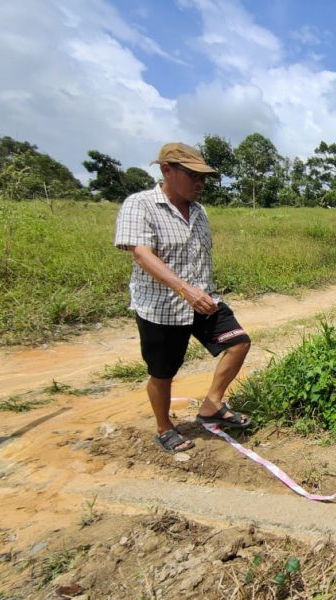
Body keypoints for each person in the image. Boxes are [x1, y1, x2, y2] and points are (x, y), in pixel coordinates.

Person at [114, 143, 252, 453]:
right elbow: (140, 253)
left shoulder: (200, 211)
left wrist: (198, 291)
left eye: (203, 177)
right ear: (166, 170)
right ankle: (164, 428)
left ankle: (212, 405)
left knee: (238, 342)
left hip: (204, 300)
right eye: (193, 176)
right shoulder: (141, 205)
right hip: (162, 307)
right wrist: (183, 289)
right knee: (163, 373)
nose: (200, 183)